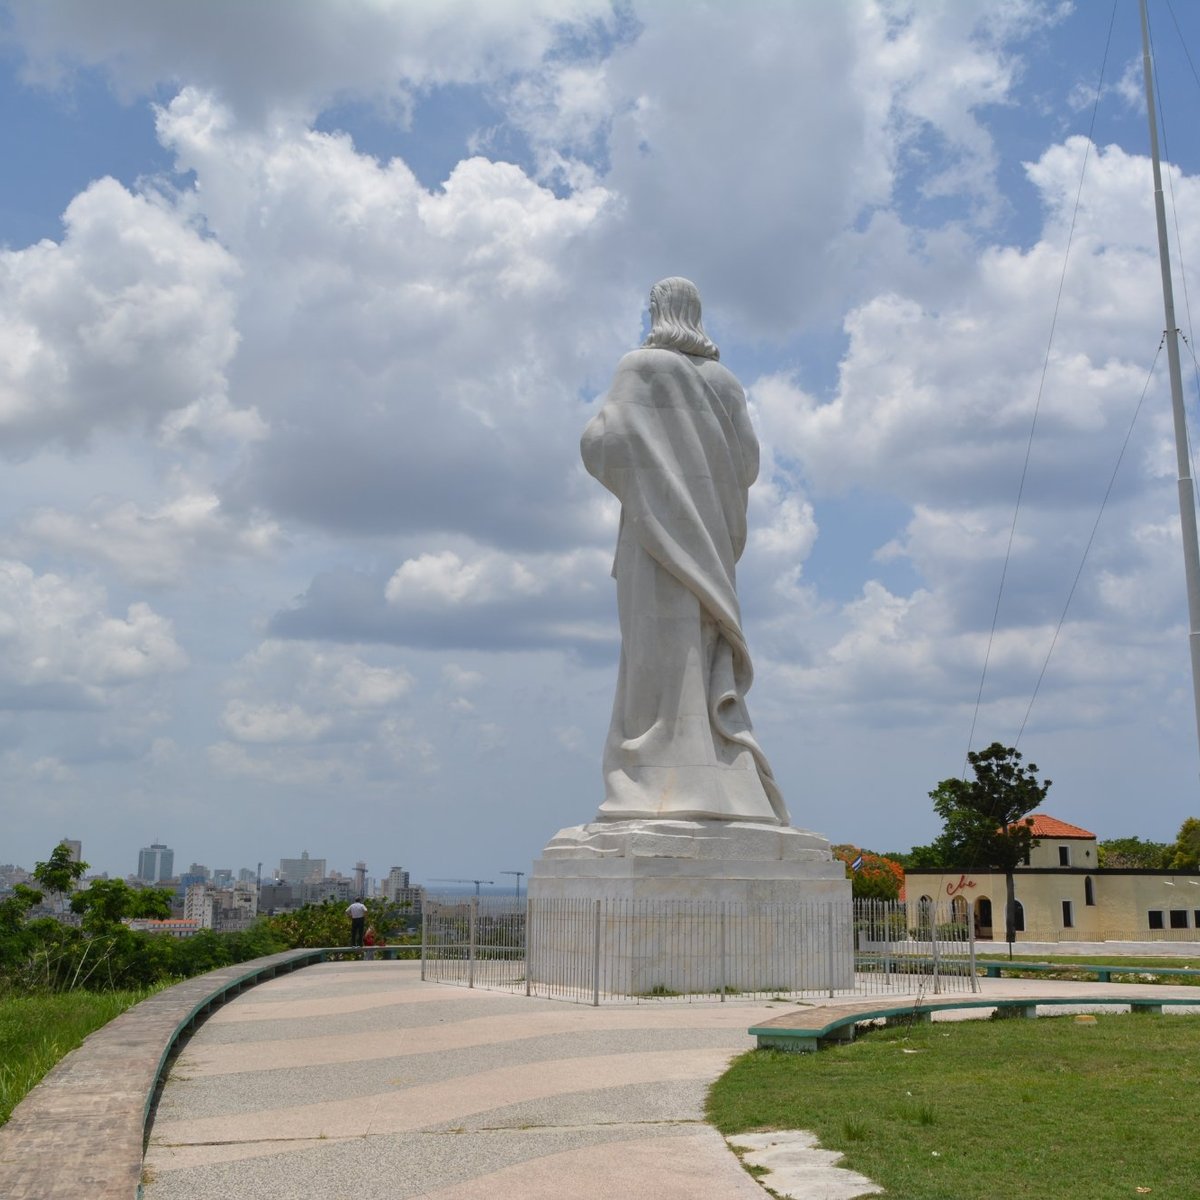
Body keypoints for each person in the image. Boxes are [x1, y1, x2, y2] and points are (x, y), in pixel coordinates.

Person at [581, 277, 789, 826]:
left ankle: (656, 784)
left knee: (653, 669)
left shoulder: (640, 366)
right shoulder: (727, 384)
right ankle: (720, 782)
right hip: (713, 547)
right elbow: (747, 465)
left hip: (656, 541)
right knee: (695, 658)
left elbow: (608, 442)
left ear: (657, 311)